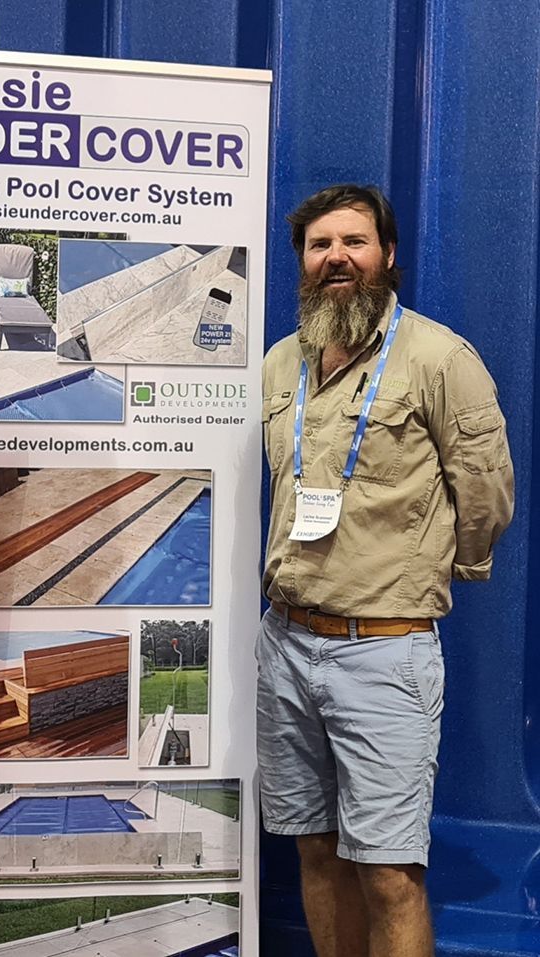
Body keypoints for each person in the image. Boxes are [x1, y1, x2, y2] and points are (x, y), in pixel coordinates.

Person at [258, 184, 513, 957]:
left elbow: (487, 490)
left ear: (387, 255)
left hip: (384, 652)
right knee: (312, 849)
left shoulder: (439, 357)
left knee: (390, 875)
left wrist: (436, 569)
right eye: (319, 244)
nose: (337, 256)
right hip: (286, 645)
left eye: (354, 242)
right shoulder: (281, 363)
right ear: (302, 262)